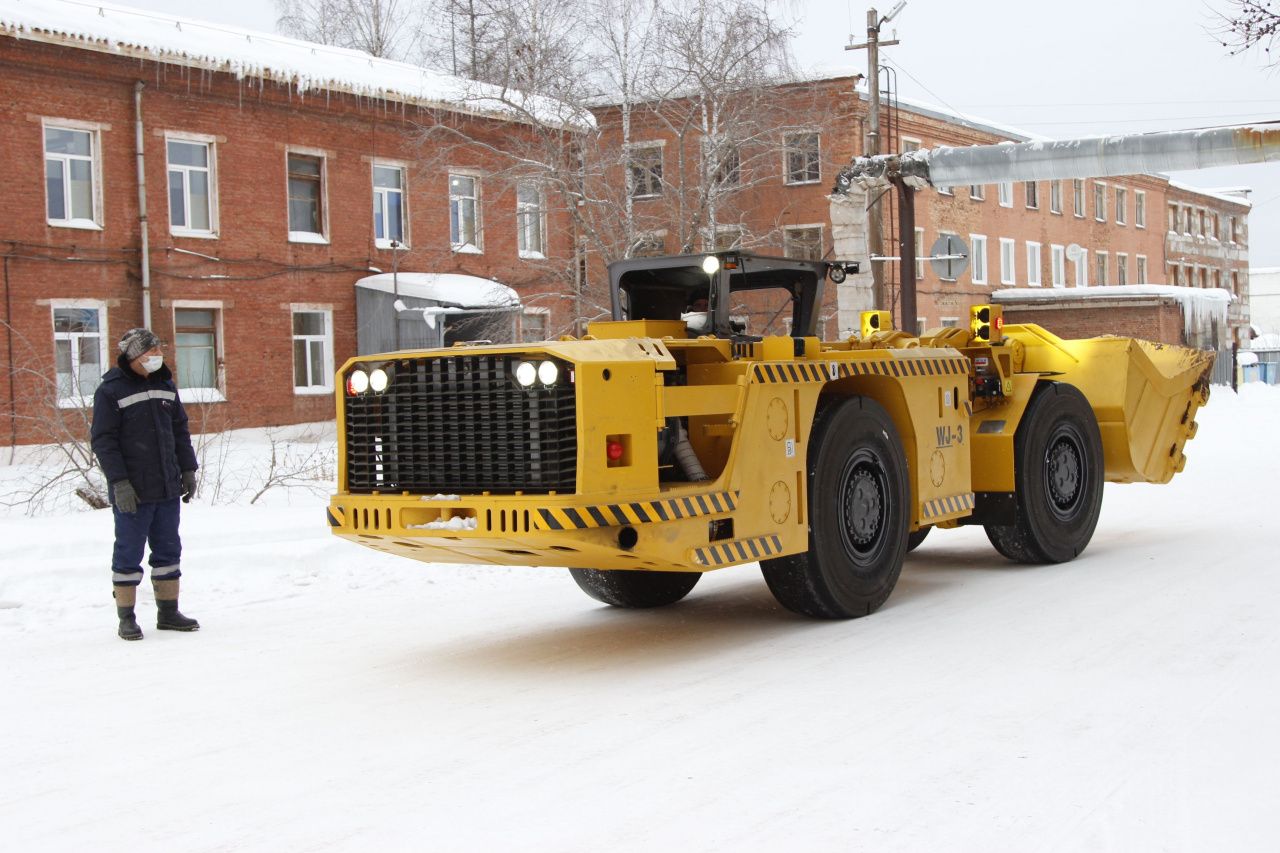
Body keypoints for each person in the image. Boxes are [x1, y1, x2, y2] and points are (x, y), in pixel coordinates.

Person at [91, 328, 200, 641]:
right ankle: (127, 617)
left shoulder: (165, 384)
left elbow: (179, 429)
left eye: (157, 350)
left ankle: (168, 613)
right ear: (132, 357)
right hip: (133, 491)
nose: (156, 356)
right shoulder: (111, 390)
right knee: (128, 552)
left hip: (166, 485)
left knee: (168, 549)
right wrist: (119, 482)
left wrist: (188, 469)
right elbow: (103, 440)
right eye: (149, 352)